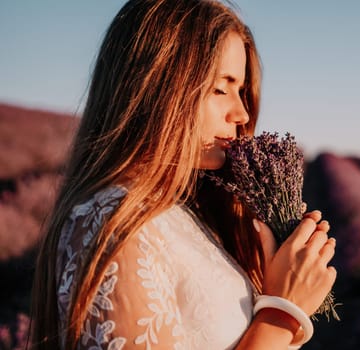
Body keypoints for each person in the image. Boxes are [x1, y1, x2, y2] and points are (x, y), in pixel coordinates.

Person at [30, 0, 337, 349]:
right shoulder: (111, 223)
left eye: (240, 91)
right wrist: (282, 314)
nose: (240, 113)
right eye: (221, 88)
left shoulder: (180, 215)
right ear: (156, 85)